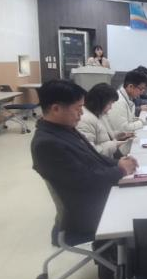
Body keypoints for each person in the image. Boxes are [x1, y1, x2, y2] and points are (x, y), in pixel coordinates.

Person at [31, 80, 138, 253]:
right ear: (56, 109)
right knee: (144, 212)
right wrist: (120, 170)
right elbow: (86, 180)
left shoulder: (64, 129)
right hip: (85, 215)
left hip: (93, 198)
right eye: (78, 108)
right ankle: (125, 261)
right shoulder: (47, 144)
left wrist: (118, 163)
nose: (81, 113)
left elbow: (95, 157)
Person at [77, 83, 134, 158]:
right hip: (102, 162)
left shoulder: (99, 114)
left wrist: (117, 135)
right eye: (110, 104)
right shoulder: (84, 120)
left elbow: (103, 136)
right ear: (101, 102)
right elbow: (90, 152)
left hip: (108, 157)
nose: (111, 108)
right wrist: (114, 144)